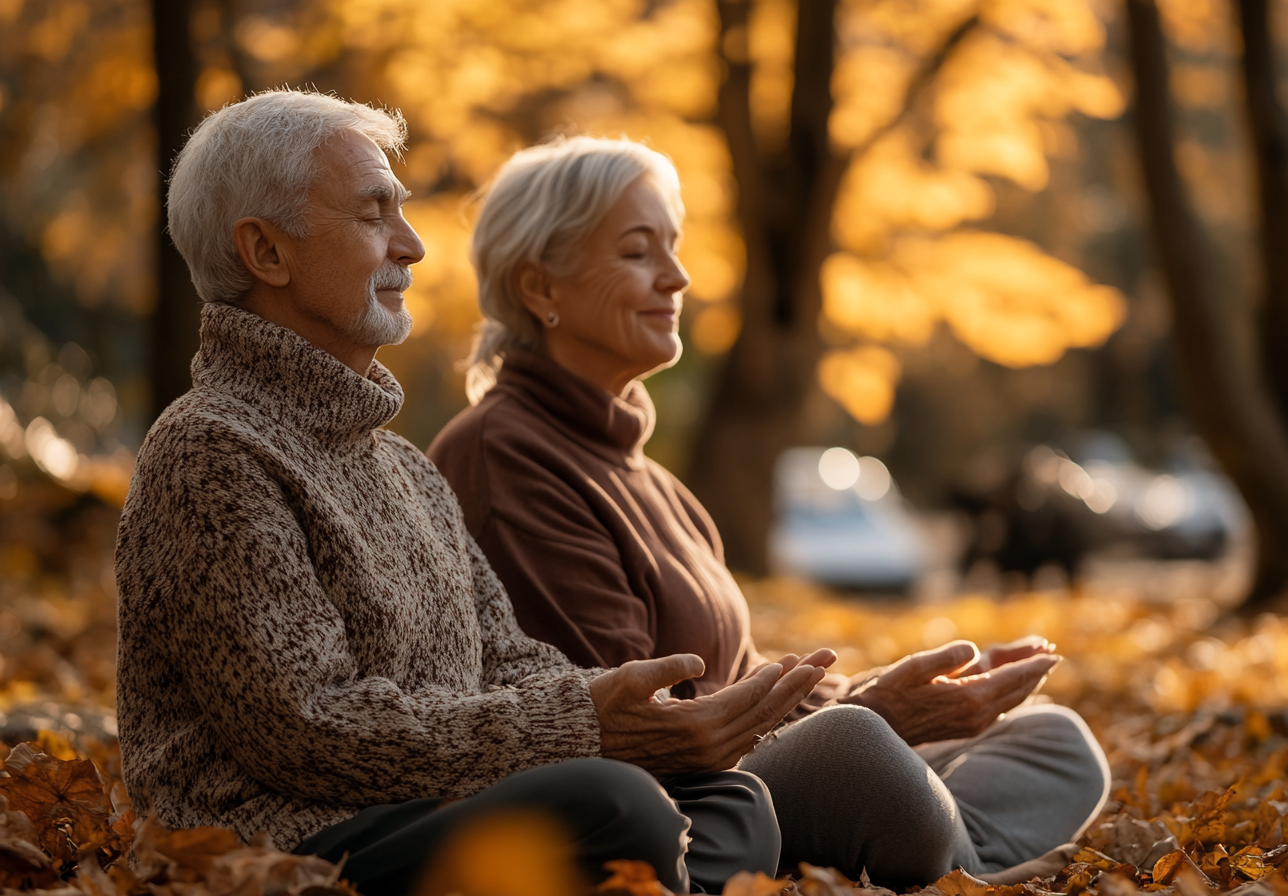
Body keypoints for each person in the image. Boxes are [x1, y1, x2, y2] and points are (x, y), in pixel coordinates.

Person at [115, 91, 833, 896]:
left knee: (731, 800)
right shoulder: (212, 450)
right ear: (267, 252)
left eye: (403, 213)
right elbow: (311, 732)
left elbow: (505, 653)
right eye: (373, 215)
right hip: (283, 836)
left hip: (431, 801)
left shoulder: (404, 467)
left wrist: (626, 714)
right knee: (619, 804)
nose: (413, 246)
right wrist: (585, 725)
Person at [427, 135, 1113, 889]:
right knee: (859, 751)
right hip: (682, 799)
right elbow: (634, 726)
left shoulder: (654, 480)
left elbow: (744, 674)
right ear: (541, 288)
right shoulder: (503, 454)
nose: (678, 276)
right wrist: (868, 718)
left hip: (746, 767)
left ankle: (953, 858)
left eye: (675, 248)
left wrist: (884, 695)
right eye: (636, 253)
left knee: (1054, 738)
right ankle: (959, 861)